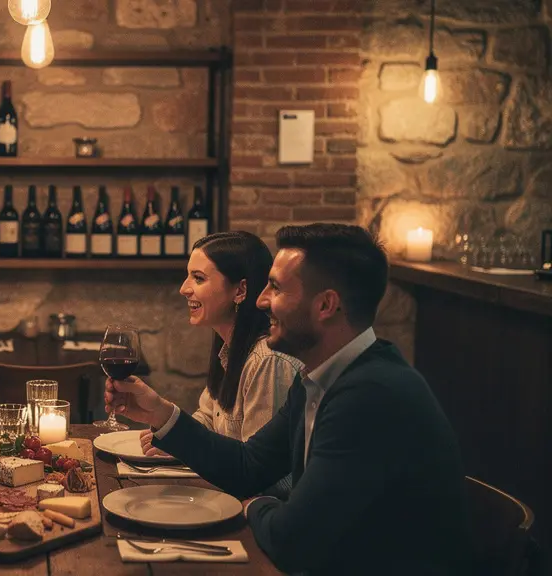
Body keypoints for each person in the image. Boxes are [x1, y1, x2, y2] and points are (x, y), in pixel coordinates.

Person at [104, 224, 467, 575]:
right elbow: (248, 466)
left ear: (325, 305)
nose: (262, 300)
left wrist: (254, 505)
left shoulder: (370, 396)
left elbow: (292, 541)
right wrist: (160, 413)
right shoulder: (319, 377)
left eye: (276, 288)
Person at [139, 232, 302, 484]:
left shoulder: (267, 360)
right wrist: (175, 440)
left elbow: (259, 475)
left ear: (240, 290)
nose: (184, 289)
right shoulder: (229, 346)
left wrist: (167, 420)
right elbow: (208, 418)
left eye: (198, 278)